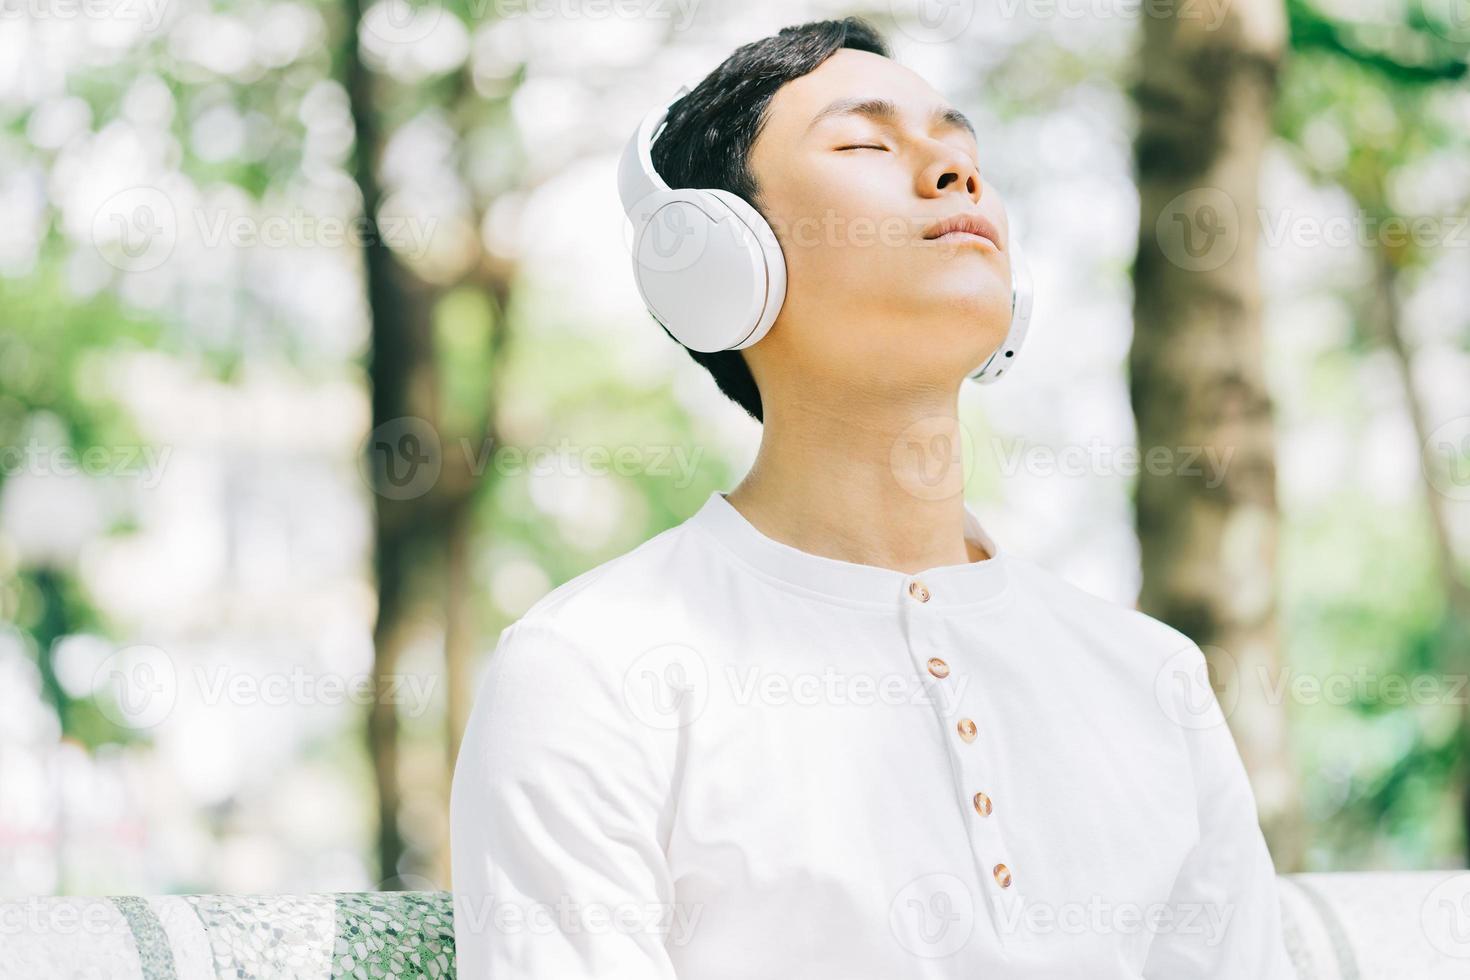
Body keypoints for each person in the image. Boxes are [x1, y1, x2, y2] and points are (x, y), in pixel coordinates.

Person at [450, 16, 1297, 979]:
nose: (952, 172)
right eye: (863, 142)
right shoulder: (593, 672)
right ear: (722, 257)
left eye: (961, 145)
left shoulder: (1154, 678)